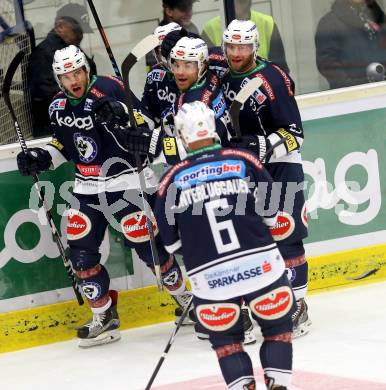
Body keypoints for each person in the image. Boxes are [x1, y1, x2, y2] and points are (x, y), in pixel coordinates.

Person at [17, 45, 193, 348]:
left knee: (148, 247)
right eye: (66, 76)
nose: (74, 80)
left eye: (77, 72)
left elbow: (147, 124)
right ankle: (104, 316)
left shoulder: (111, 86)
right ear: (59, 79)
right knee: (81, 254)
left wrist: (121, 112)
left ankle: (185, 300)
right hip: (87, 187)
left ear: (87, 69)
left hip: (127, 181)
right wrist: (40, 158)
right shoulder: (57, 107)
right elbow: (64, 146)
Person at [155, 101, 296, 390]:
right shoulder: (243, 160)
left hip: (210, 278)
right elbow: (272, 215)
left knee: (226, 342)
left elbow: (171, 244)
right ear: (214, 128)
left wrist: (201, 244)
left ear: (182, 136)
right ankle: (279, 383)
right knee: (277, 329)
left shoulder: (169, 180)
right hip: (262, 267)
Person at [221, 19, 311, 338]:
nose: (235, 52)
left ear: (254, 47)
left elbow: (296, 134)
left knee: (286, 233)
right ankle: (259, 302)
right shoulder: (220, 75)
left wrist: (262, 145)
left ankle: (298, 303)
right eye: (231, 46)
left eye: (242, 46)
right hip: (245, 170)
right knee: (250, 240)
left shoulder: (272, 78)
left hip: (281, 166)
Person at [27, 4, 95, 138]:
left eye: (82, 30)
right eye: (77, 30)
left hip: (73, 124)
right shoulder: (45, 54)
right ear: (60, 27)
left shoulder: (70, 48)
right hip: (55, 131)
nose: (81, 35)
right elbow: (42, 94)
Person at [315, 0, 386, 89]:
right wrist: (356, 88)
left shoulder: (376, 17)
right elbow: (329, 66)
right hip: (354, 97)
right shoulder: (329, 23)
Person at [201, 0, 288, 72]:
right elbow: (205, 73)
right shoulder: (210, 28)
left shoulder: (267, 23)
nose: (242, 5)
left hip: (262, 86)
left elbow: (281, 69)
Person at [142, 22, 182, 127]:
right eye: (160, 50)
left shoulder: (195, 71)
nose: (164, 55)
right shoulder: (154, 74)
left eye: (169, 48)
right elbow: (146, 109)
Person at [145, 0, 199, 70]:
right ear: (169, 11)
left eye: (190, 7)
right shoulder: (156, 40)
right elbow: (153, 75)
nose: (189, 13)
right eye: (184, 8)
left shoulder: (192, 28)